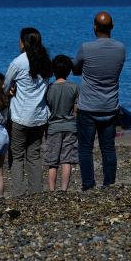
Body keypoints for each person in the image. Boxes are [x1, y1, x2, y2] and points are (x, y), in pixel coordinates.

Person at [72, 11, 125, 190]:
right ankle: (109, 183)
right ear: (112, 26)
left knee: (85, 148)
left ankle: (88, 184)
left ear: (94, 26)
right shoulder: (120, 48)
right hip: (110, 105)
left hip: (88, 107)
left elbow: (75, 69)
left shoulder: (86, 48)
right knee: (108, 147)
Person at [3, 27, 52, 196]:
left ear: (23, 42)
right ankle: (36, 193)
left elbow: (5, 85)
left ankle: (18, 194)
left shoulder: (18, 62)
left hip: (20, 117)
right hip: (39, 116)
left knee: (16, 157)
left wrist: (10, 91)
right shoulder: (45, 61)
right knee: (34, 156)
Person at [44, 55, 79, 191]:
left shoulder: (49, 88)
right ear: (69, 70)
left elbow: (47, 107)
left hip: (53, 127)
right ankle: (64, 189)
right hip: (70, 126)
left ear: (53, 70)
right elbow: (76, 110)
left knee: (52, 161)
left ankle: (52, 190)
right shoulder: (74, 87)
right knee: (67, 159)